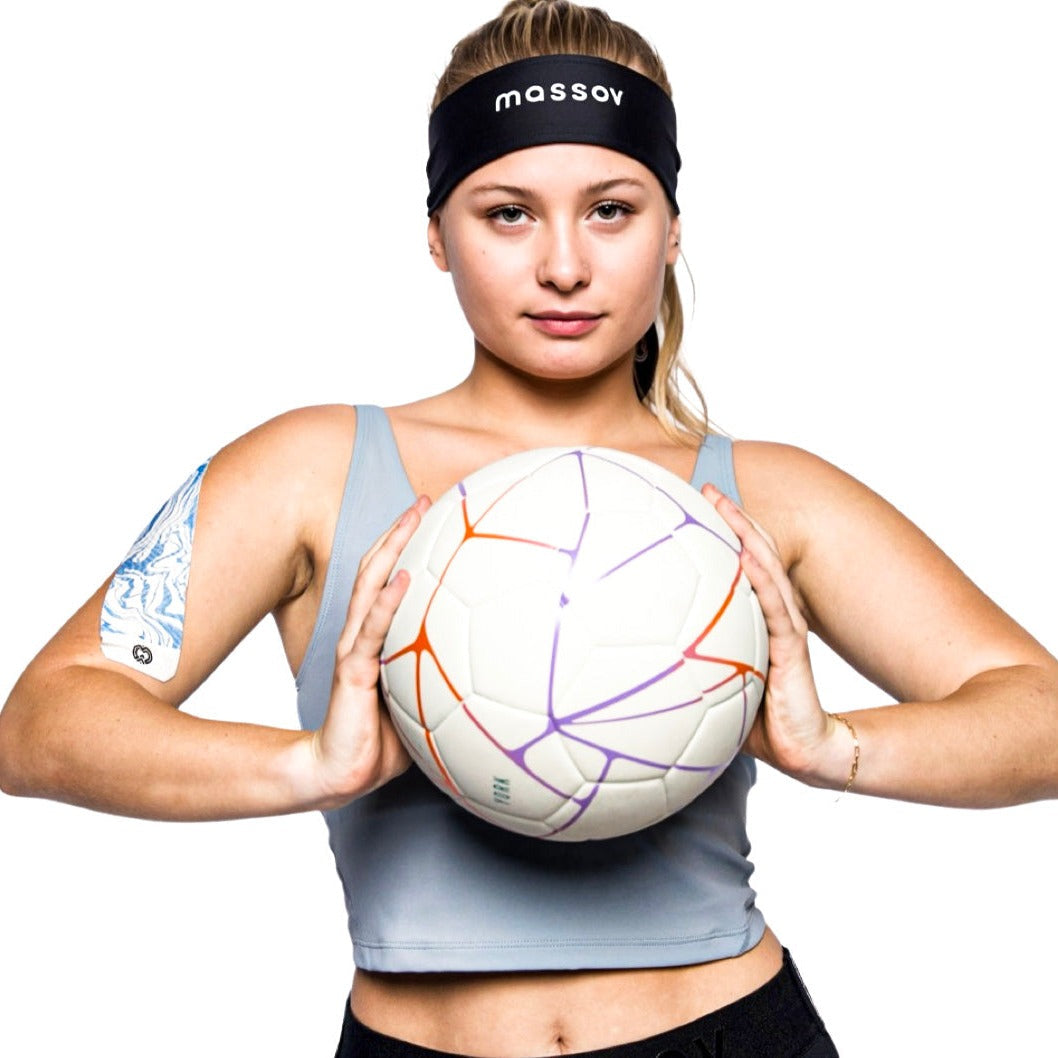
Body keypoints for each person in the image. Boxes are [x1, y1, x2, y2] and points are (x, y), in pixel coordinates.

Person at [1, 1, 1056, 1055]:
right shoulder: (308, 470)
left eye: (611, 210)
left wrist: (835, 749)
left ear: (672, 228)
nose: (563, 265)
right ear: (435, 233)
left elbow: (1036, 709)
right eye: (507, 213)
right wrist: (309, 766)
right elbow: (44, 721)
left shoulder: (762, 495)